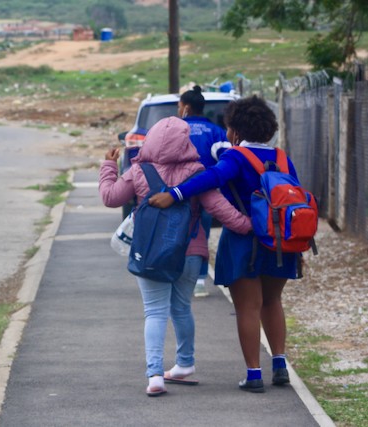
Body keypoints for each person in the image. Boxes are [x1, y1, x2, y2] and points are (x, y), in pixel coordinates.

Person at [149, 95, 297, 393]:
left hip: (245, 242)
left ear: (237, 132)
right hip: (280, 242)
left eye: (229, 129)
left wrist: (174, 194)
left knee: (248, 307)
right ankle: (280, 365)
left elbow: (209, 179)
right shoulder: (282, 158)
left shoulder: (236, 158)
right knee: (272, 301)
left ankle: (254, 374)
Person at [99, 117, 251, 397]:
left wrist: (108, 166)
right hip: (191, 252)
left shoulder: (139, 171)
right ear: (186, 142)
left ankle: (155, 375)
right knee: (181, 308)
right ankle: (184, 363)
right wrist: (250, 227)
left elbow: (110, 197)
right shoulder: (197, 173)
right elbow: (221, 210)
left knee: (154, 312)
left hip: (151, 252)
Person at [179, 85, 229, 297]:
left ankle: (177, 274)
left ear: (186, 108)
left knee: (177, 232)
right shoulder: (217, 132)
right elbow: (227, 161)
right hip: (208, 192)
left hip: (179, 191)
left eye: (178, 106)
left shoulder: (177, 129)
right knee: (202, 234)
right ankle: (199, 280)